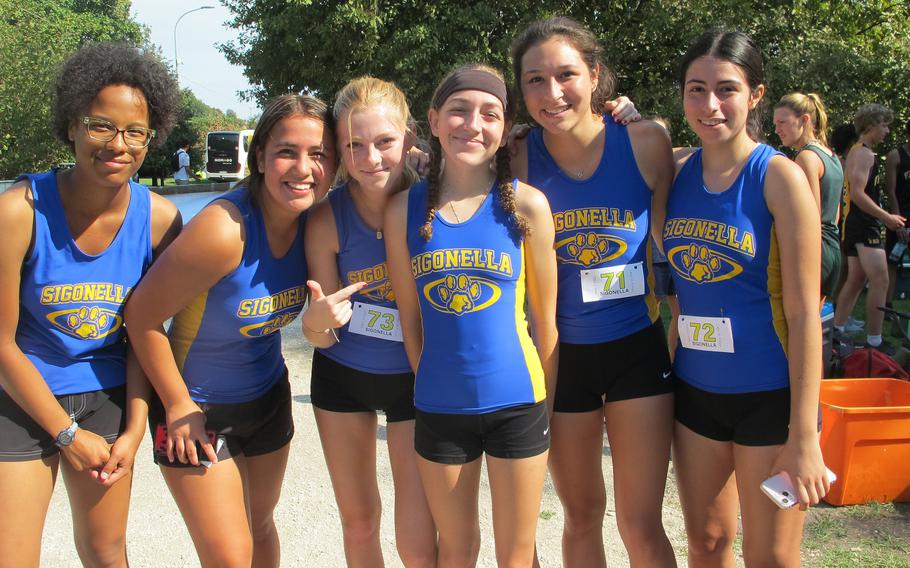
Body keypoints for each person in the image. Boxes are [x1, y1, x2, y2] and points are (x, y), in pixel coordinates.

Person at [125, 94, 342, 567]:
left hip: (266, 399)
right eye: (287, 151)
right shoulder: (224, 231)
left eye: (319, 154)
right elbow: (140, 316)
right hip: (193, 408)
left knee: (260, 528)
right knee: (229, 556)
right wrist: (179, 404)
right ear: (260, 155)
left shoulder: (315, 225)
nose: (303, 167)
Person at [0, 42, 180, 567]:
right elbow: (2, 344)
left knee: (106, 551)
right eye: (101, 125)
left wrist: (136, 425)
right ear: (73, 125)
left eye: (135, 132)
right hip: (22, 400)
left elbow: (145, 334)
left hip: (107, 399)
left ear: (152, 137)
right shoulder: (19, 213)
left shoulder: (162, 221)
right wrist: (65, 434)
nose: (117, 144)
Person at [509, 17, 677, 567]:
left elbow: (677, 236)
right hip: (560, 357)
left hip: (635, 350)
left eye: (566, 75)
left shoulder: (646, 141)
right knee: (581, 515)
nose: (552, 93)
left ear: (595, 75)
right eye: (535, 80)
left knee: (639, 520)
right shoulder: (516, 156)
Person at [665, 30, 830, 566]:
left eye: (726, 89)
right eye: (696, 89)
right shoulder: (674, 171)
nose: (710, 105)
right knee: (708, 543)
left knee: (772, 558)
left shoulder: (778, 177)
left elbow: (808, 314)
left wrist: (804, 436)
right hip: (695, 395)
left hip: (771, 400)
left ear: (756, 95)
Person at [384, 64, 558, 567]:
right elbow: (410, 318)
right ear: (435, 120)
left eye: (490, 114)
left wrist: (549, 406)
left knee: (517, 554)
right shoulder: (403, 210)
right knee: (457, 550)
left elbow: (546, 323)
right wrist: (434, 380)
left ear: (503, 130)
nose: (472, 125)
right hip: (440, 406)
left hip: (519, 402)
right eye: (458, 111)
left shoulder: (529, 206)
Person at [302, 76, 436, 567]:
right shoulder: (326, 218)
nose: (371, 159)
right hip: (344, 380)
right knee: (359, 522)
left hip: (414, 378)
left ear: (410, 138)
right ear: (338, 151)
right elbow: (321, 334)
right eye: (354, 145)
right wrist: (317, 321)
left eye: (385, 142)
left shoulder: (435, 201)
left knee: (417, 528)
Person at [832, 104, 901, 350]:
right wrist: (887, 217)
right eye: (883, 125)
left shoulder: (859, 151)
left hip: (856, 224)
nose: (887, 130)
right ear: (871, 125)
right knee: (880, 280)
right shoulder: (863, 154)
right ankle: (875, 340)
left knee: (856, 278)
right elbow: (859, 194)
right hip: (863, 224)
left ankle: (837, 331)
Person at [773, 92, 845, 302]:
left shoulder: (806, 157)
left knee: (799, 325)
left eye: (782, 122)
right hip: (832, 248)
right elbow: (836, 214)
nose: (777, 129)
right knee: (814, 322)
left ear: (804, 120)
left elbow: (808, 216)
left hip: (814, 250)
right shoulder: (830, 155)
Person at [885, 118, 910, 304]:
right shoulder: (896, 156)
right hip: (900, 217)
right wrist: (897, 222)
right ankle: (887, 303)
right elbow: (891, 191)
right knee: (891, 262)